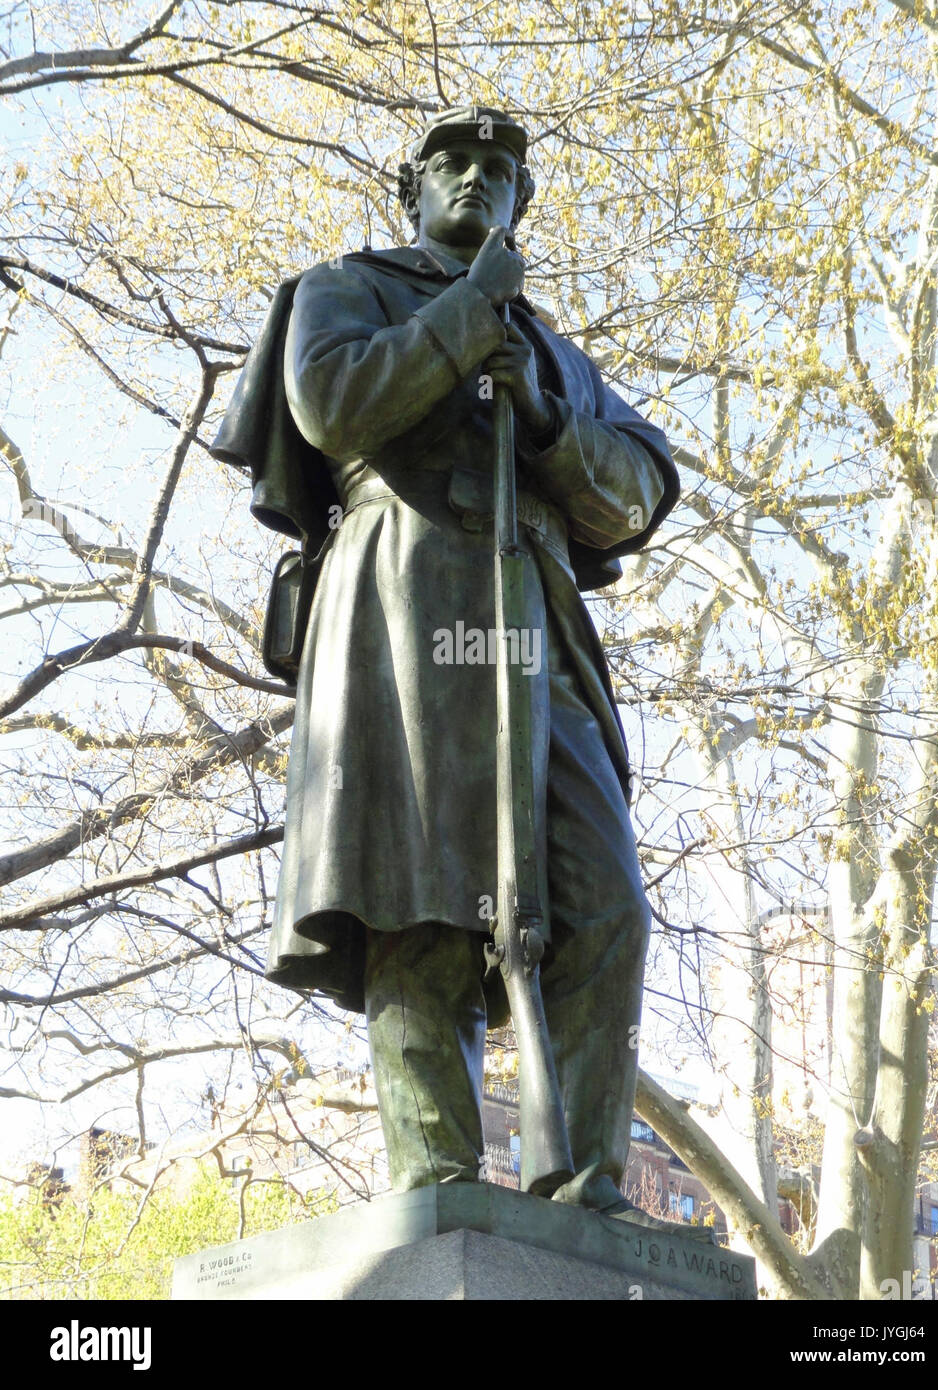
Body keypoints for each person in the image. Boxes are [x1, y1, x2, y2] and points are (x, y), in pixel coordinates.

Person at [214, 105, 679, 1218]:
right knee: (416, 889)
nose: (476, 181)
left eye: (499, 171)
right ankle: (439, 1187)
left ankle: (585, 1183)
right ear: (412, 189)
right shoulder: (345, 284)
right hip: (402, 598)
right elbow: (330, 404)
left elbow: (642, 487)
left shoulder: (556, 348)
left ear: (521, 202)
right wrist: (467, 317)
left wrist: (550, 414)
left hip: (533, 612)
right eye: (453, 166)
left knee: (605, 900)